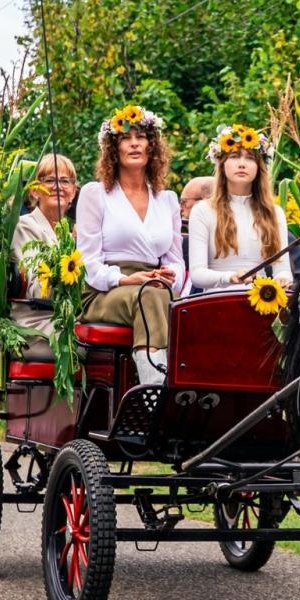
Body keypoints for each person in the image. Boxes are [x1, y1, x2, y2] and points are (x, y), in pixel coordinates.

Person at [75, 104, 183, 387]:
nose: (134, 143)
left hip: (154, 285)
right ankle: (153, 394)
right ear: (114, 148)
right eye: (125, 137)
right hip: (104, 291)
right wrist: (125, 279)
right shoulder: (95, 194)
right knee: (149, 296)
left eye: (141, 136)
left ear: (152, 145)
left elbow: (176, 260)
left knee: (178, 304)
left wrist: (171, 279)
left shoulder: (168, 199)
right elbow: (89, 263)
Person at [187, 124, 293, 291]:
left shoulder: (275, 213)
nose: (242, 164)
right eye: (235, 156)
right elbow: (197, 275)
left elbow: (283, 269)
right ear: (222, 165)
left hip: (262, 298)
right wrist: (230, 277)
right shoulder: (202, 211)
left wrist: (282, 279)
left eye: (250, 158)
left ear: (259, 167)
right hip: (216, 300)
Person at [10, 152, 79, 360]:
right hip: (36, 327)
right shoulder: (25, 227)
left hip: (67, 322)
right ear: (34, 191)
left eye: (64, 181)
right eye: (49, 180)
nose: (58, 186)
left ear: (73, 192)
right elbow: (39, 291)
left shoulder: (72, 234)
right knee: (100, 348)